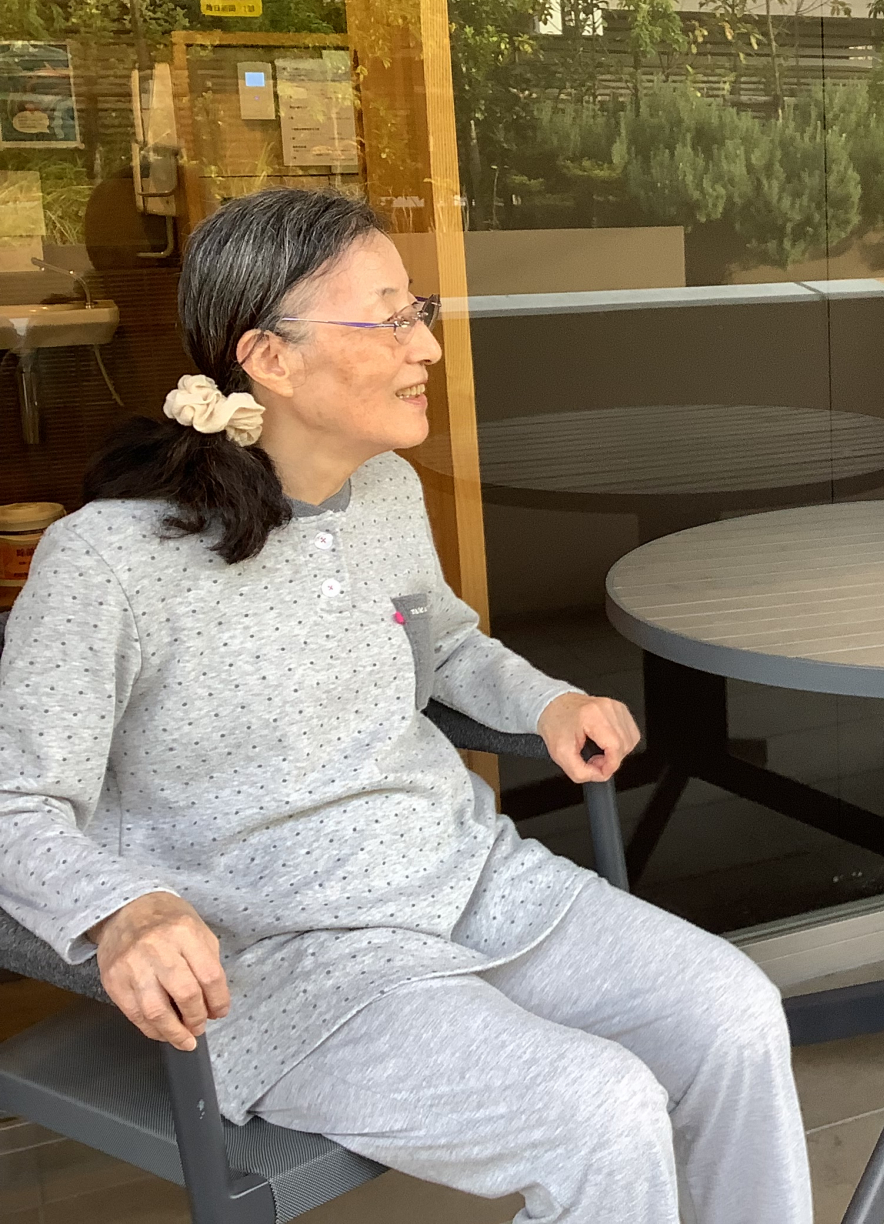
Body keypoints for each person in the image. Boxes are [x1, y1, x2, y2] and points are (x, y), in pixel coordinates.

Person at [0, 188, 812, 1222]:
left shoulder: (384, 489)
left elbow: (445, 644)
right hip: (291, 960)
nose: (425, 346)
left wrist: (550, 702)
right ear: (270, 357)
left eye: (417, 311)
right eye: (389, 319)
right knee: (602, 1112)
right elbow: (16, 800)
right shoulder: (109, 559)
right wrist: (124, 910)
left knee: (735, 1013)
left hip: (469, 879)